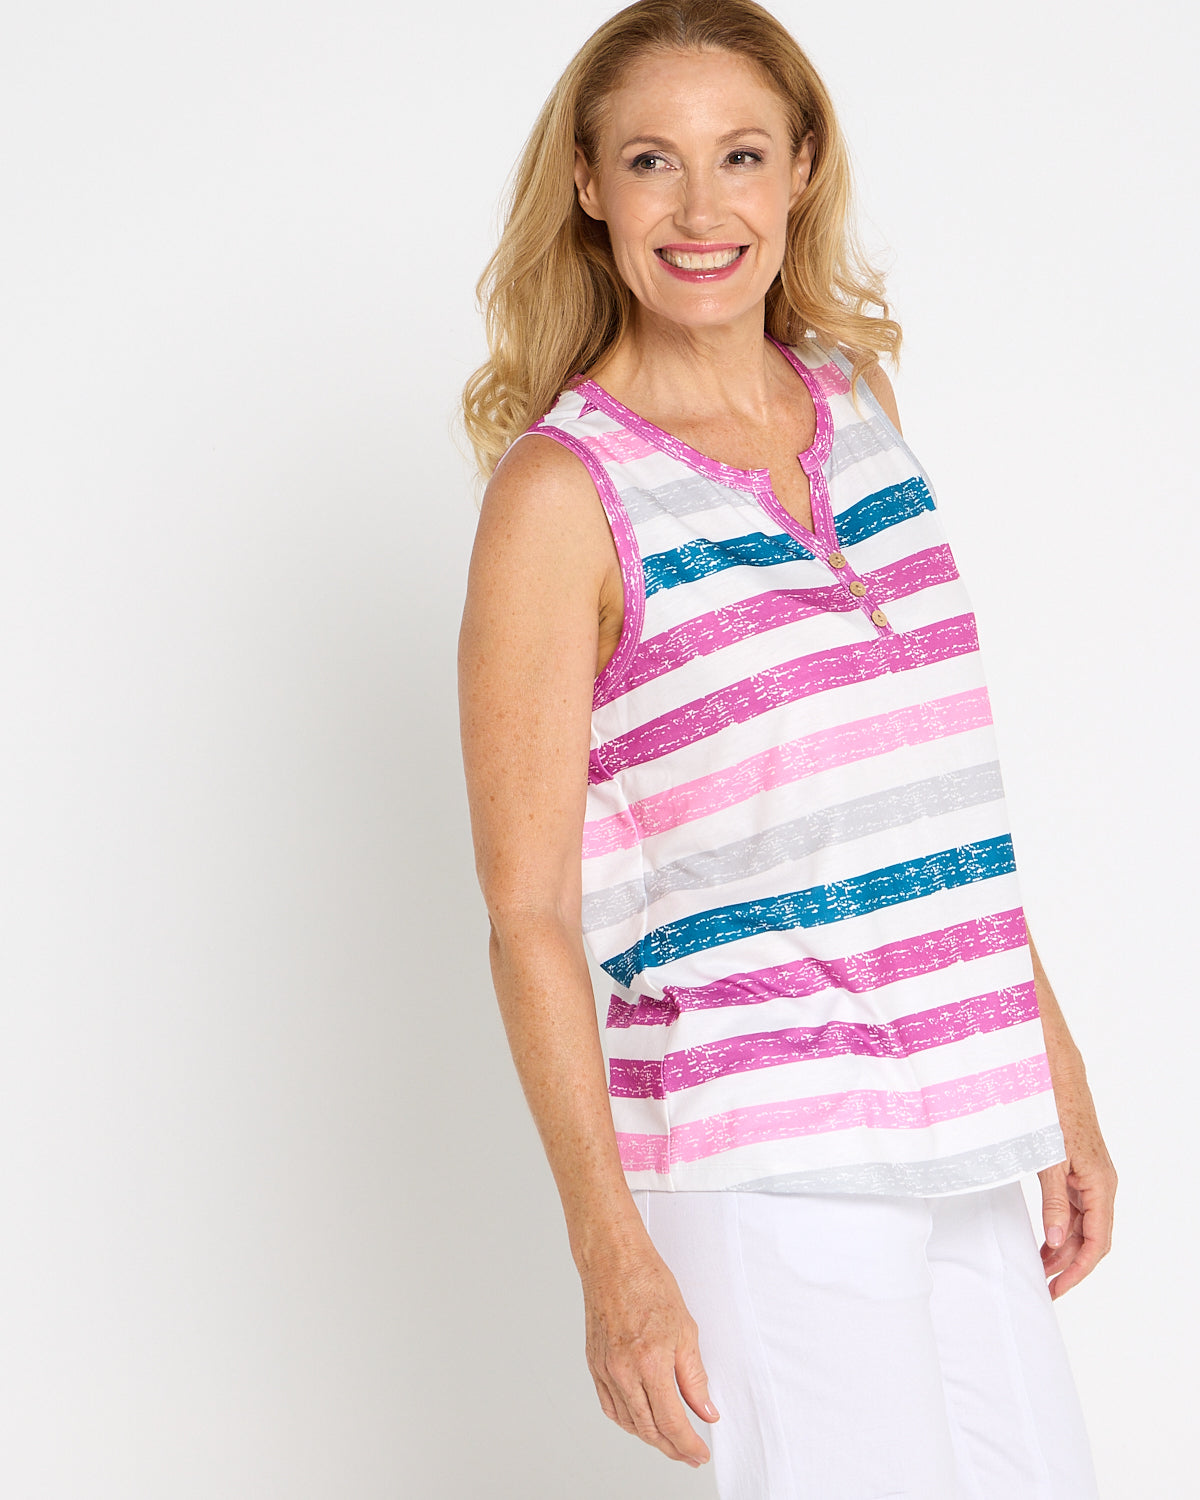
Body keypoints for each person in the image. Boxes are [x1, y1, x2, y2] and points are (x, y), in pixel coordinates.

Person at [456, 2, 1117, 1495]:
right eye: (652, 161)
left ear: (802, 169)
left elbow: (932, 806)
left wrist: (1052, 1078)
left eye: (741, 155)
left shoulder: (856, 410)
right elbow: (528, 912)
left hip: (962, 1119)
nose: (702, 210)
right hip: (768, 1161)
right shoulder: (565, 495)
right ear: (588, 185)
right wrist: (611, 1253)